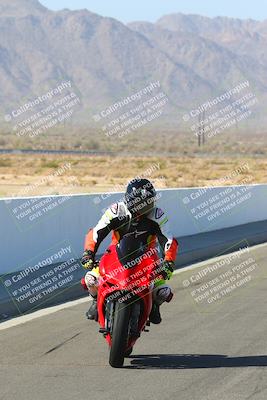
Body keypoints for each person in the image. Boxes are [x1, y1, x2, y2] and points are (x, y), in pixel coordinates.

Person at [81, 178, 178, 324]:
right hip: (114, 253)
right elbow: (96, 232)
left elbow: (168, 239)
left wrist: (168, 262)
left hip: (148, 257)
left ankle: (154, 305)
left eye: (148, 202)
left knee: (163, 291)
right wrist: (88, 253)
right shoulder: (116, 210)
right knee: (91, 279)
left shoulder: (158, 214)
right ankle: (96, 300)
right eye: (140, 203)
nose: (145, 207)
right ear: (129, 200)